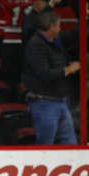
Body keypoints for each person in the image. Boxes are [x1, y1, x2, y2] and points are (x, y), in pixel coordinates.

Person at [23, 10, 80, 145]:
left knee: (70, 142)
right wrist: (68, 70)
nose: (60, 29)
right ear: (51, 27)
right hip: (44, 103)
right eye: (59, 26)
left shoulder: (55, 41)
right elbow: (43, 73)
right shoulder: (36, 45)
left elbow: (74, 34)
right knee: (45, 145)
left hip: (60, 100)